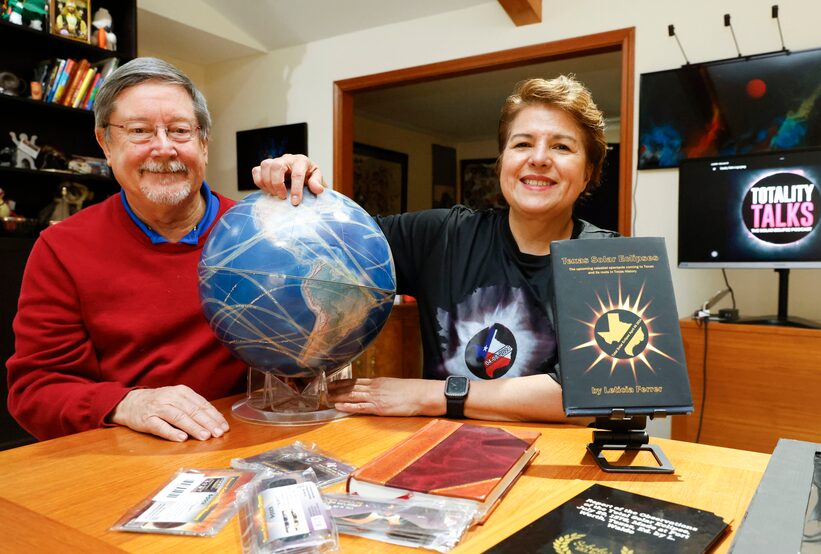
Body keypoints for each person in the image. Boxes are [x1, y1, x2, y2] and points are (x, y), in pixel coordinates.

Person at [256, 76, 618, 422]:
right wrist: (300, 184)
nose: (538, 158)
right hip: (446, 455)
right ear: (503, 162)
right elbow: (334, 242)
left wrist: (431, 395)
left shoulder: (608, 262)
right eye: (522, 144)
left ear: (588, 172)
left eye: (561, 146)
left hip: (557, 465)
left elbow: (596, 391)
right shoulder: (442, 236)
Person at [6, 57, 323, 442]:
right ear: (106, 144)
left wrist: (308, 211)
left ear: (204, 143)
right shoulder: (61, 248)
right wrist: (126, 404)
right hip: (128, 455)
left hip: (247, 440)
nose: (163, 148)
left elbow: (313, 347)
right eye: (139, 131)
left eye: (180, 130)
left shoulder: (260, 231)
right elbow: (35, 391)